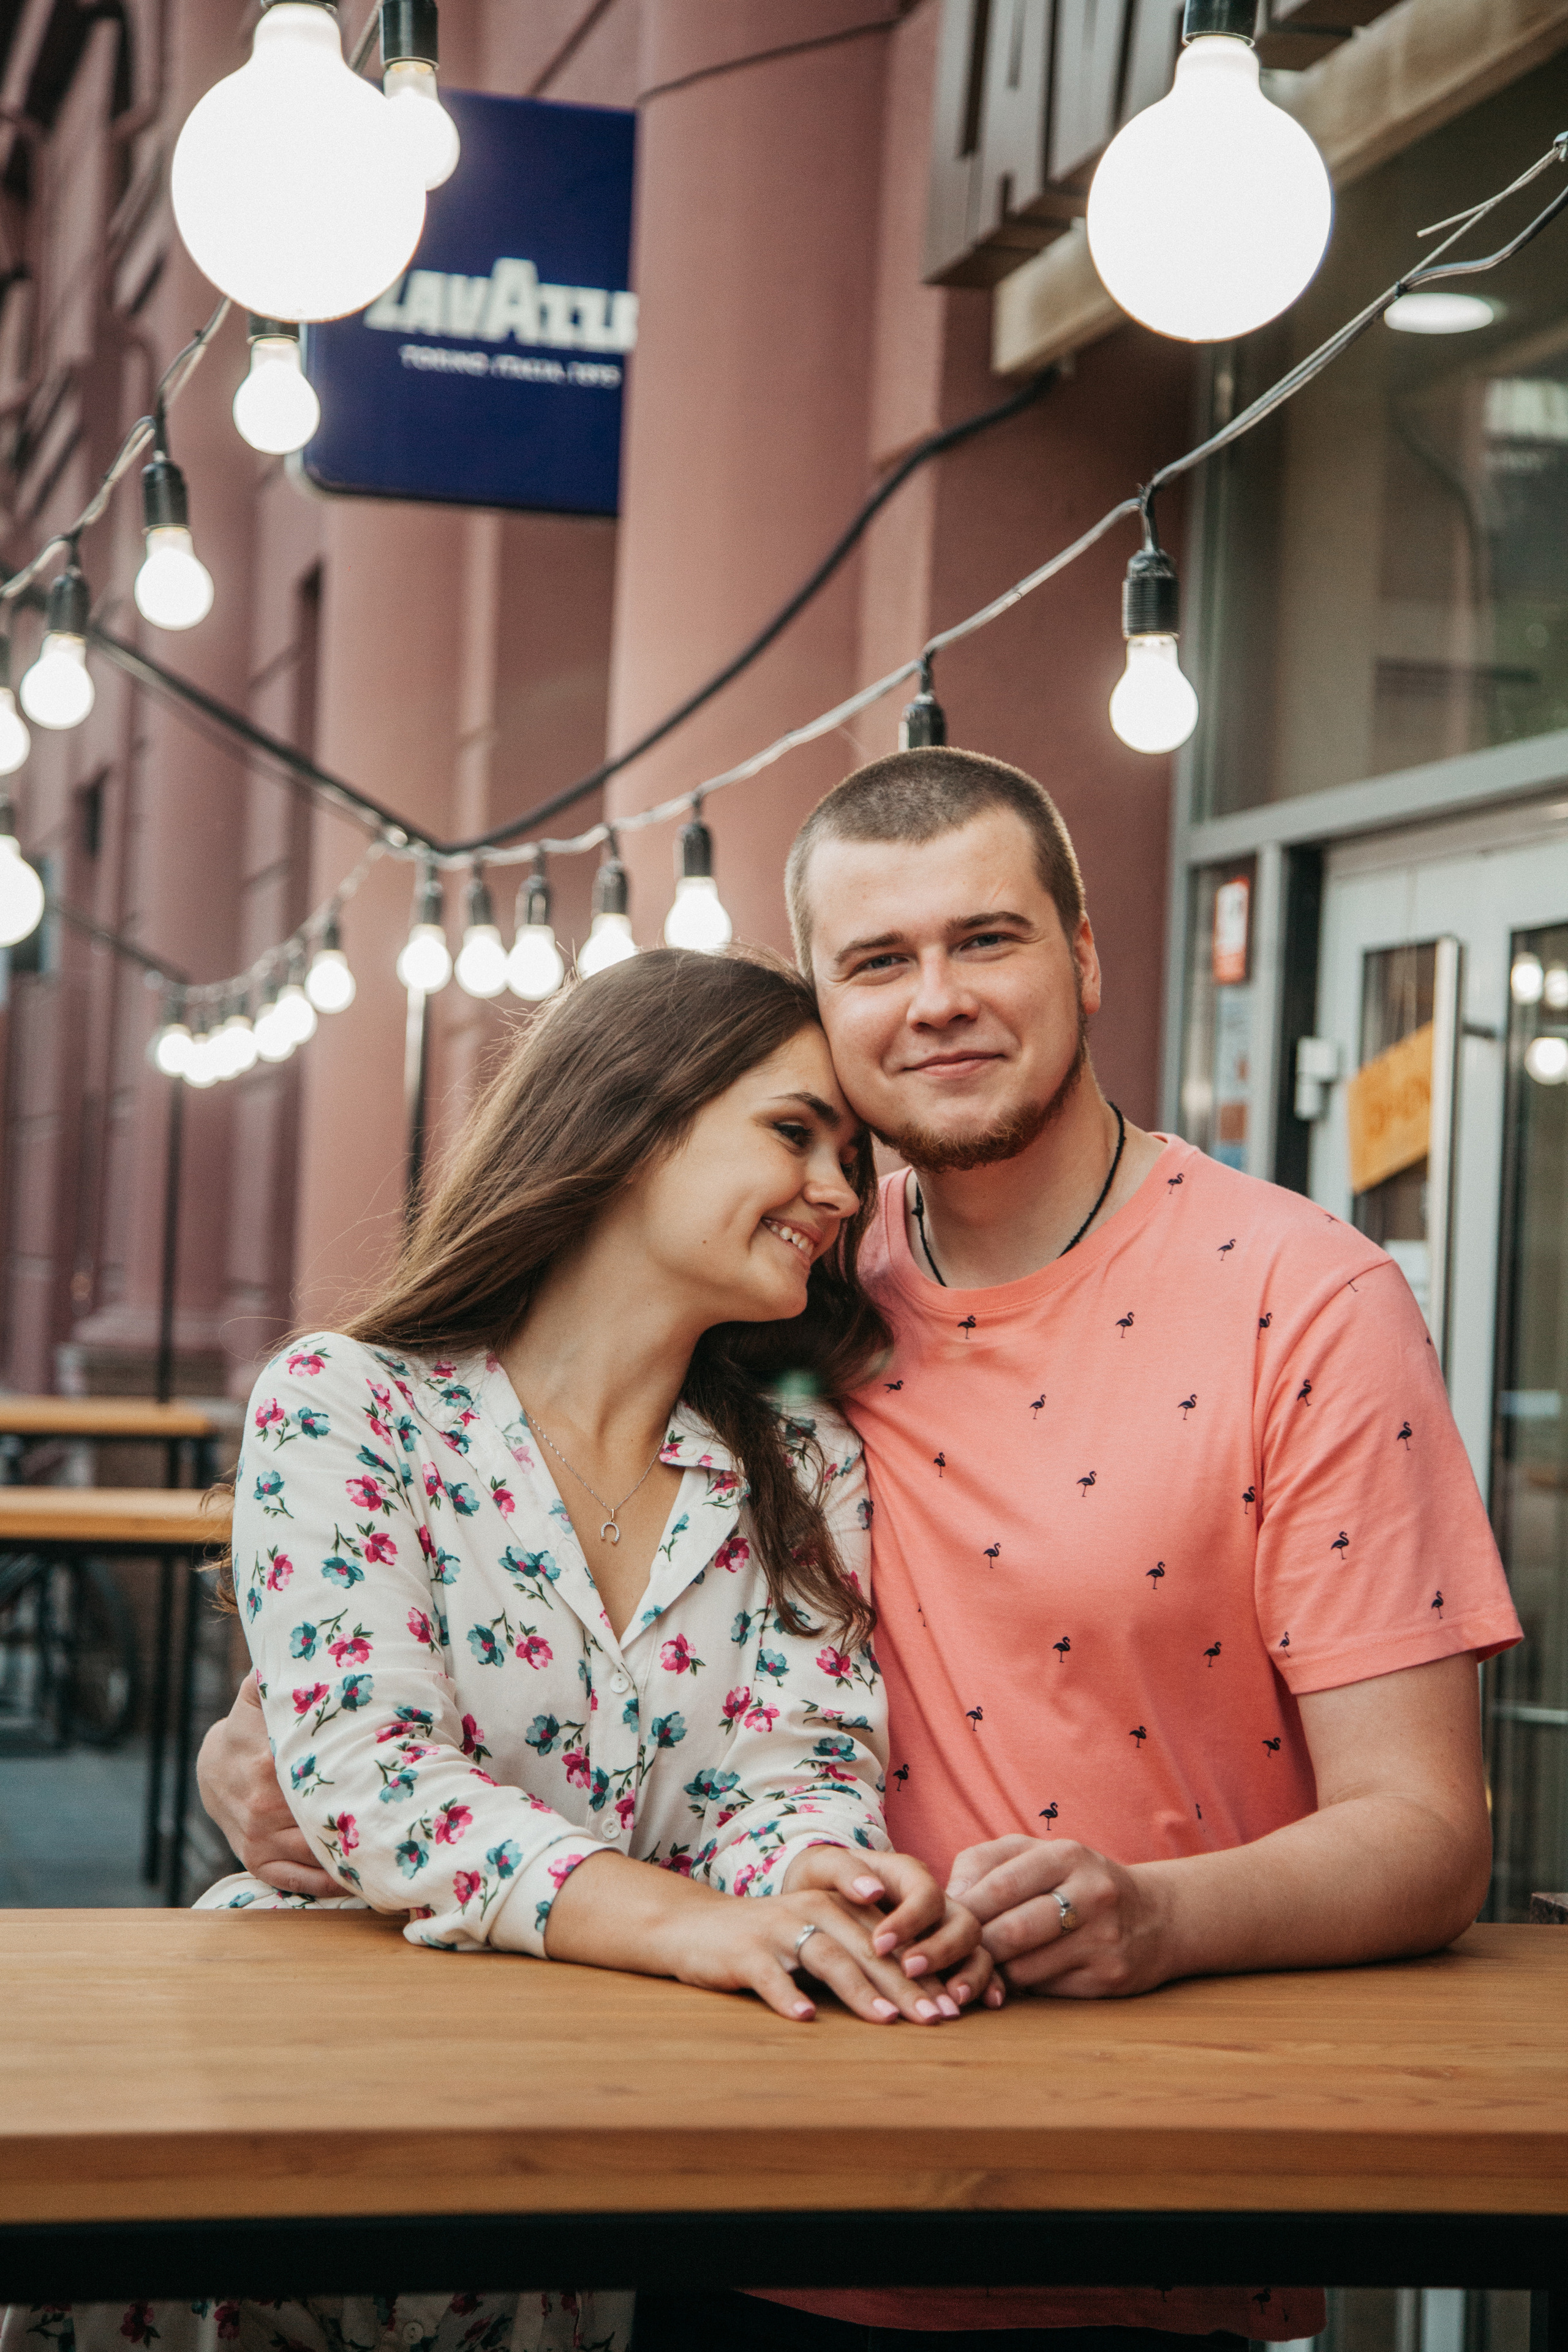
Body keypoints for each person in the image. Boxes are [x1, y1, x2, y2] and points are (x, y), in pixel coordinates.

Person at [201, 750, 1523, 2352]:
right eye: (879, 963)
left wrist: (1161, 1917)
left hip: (1133, 2212)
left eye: (989, 939)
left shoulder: (1301, 1301)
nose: (938, 999)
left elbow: (1429, 1831)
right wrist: (292, 1766)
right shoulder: (804, 1327)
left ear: (1088, 954)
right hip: (719, 2187)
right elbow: (427, 1682)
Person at [4, 948, 993, 2352]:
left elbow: (793, 1774)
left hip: (573, 2135)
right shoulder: (348, 1404)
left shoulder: (799, 1459)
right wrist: (688, 1922)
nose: (843, 1192)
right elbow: (369, 1780)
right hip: (289, 2100)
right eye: (794, 1133)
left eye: (852, 1153)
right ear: (629, 1124)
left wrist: (817, 1875)